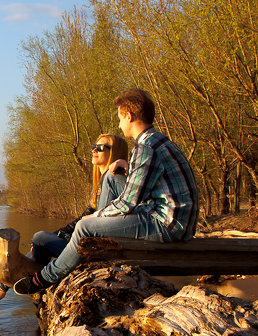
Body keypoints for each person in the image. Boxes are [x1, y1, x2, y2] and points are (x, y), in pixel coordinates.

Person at [13, 88, 199, 295]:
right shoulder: (157, 140)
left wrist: (97, 217)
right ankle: (94, 241)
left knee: (85, 226)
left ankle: (44, 278)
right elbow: (148, 185)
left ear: (129, 116)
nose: (120, 124)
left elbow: (129, 201)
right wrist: (127, 168)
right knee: (110, 178)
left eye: (120, 118)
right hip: (174, 218)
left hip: (168, 224)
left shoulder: (146, 147)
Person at [29, 133, 130, 266]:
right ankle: (18, 280)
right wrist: (59, 233)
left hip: (95, 249)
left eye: (100, 147)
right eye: (94, 146)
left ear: (114, 151)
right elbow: (84, 216)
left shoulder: (116, 178)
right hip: (86, 241)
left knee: (40, 238)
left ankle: (18, 280)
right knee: (41, 240)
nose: (94, 150)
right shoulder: (101, 182)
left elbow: (129, 204)